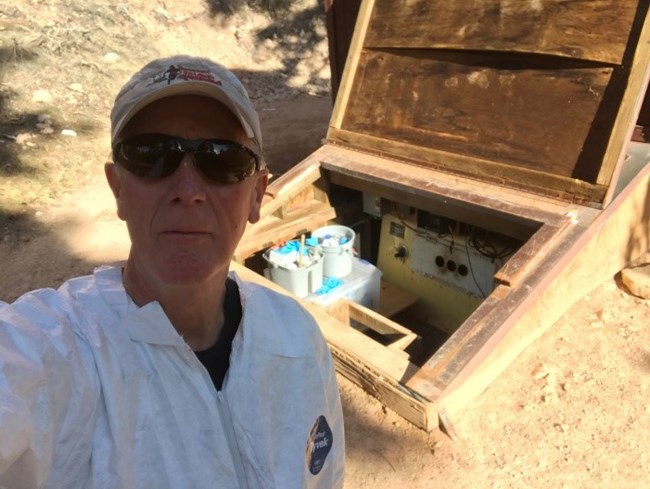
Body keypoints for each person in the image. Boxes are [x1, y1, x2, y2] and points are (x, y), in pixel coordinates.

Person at [0, 55, 345, 488]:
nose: (188, 191)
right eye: (151, 155)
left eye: (221, 158)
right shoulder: (55, 352)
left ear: (257, 194)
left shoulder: (297, 336)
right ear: (118, 188)